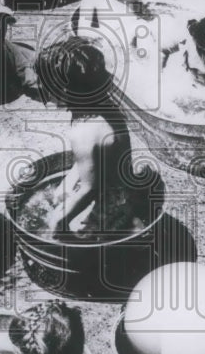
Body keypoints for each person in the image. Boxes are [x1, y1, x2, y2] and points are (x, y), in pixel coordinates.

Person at [34, 35, 135, 236]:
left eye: (43, 83)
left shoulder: (83, 132)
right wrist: (69, 182)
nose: (39, 87)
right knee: (60, 194)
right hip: (123, 191)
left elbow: (90, 189)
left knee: (56, 224)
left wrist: (59, 222)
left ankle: (107, 235)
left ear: (62, 91)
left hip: (112, 207)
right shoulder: (107, 109)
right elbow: (98, 160)